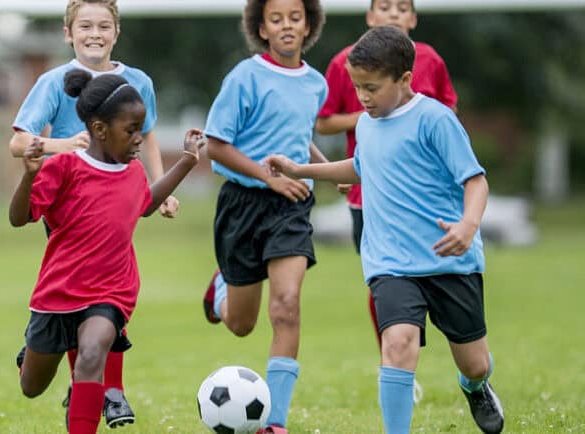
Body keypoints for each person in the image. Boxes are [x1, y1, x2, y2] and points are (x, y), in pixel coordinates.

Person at [265, 26, 504, 434]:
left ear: (405, 79)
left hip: (448, 260)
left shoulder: (436, 120)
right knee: (397, 344)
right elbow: (361, 167)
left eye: (372, 88)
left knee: (474, 361)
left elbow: (475, 180)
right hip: (390, 262)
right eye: (358, 87)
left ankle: (476, 387)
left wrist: (468, 224)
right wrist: (302, 169)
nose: (362, 98)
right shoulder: (367, 124)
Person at [8, 0, 177, 427]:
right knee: (81, 283)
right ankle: (63, 359)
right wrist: (59, 146)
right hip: (66, 195)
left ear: (117, 32)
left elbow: (149, 136)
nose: (94, 34)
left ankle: (109, 388)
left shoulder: (138, 81)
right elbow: (19, 141)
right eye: (85, 26)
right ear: (68, 33)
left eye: (104, 25)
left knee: (108, 279)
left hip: (119, 190)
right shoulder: (53, 82)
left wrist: (163, 186)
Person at [315, 0, 459, 403]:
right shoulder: (346, 63)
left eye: (402, 7)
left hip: (427, 200)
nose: (393, 13)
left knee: (437, 279)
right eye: (384, 6)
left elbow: (447, 113)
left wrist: (407, 111)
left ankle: (465, 357)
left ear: (412, 18)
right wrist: (375, 108)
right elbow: (323, 120)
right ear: (370, 17)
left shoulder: (431, 60)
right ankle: (396, 364)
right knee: (385, 280)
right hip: (370, 195)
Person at [200, 0, 328, 432]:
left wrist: (325, 170)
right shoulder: (244, 77)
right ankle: (218, 292)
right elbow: (216, 144)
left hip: (291, 205)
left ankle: (274, 422)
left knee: (287, 306)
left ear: (309, 23)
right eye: (277, 19)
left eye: (295, 17)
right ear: (262, 27)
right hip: (243, 205)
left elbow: (297, 134)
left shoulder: (316, 83)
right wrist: (267, 177)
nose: (287, 25)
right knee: (240, 324)